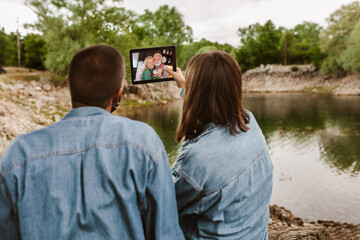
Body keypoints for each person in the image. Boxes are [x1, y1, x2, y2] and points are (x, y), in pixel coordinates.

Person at [0, 44, 185, 240]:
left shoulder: (18, 154)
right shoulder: (144, 143)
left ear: (68, 82)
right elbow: (165, 233)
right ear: (118, 93)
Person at [165, 51, 274, 240]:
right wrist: (185, 85)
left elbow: (167, 204)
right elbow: (213, 103)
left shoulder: (198, 157)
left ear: (197, 94)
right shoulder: (249, 122)